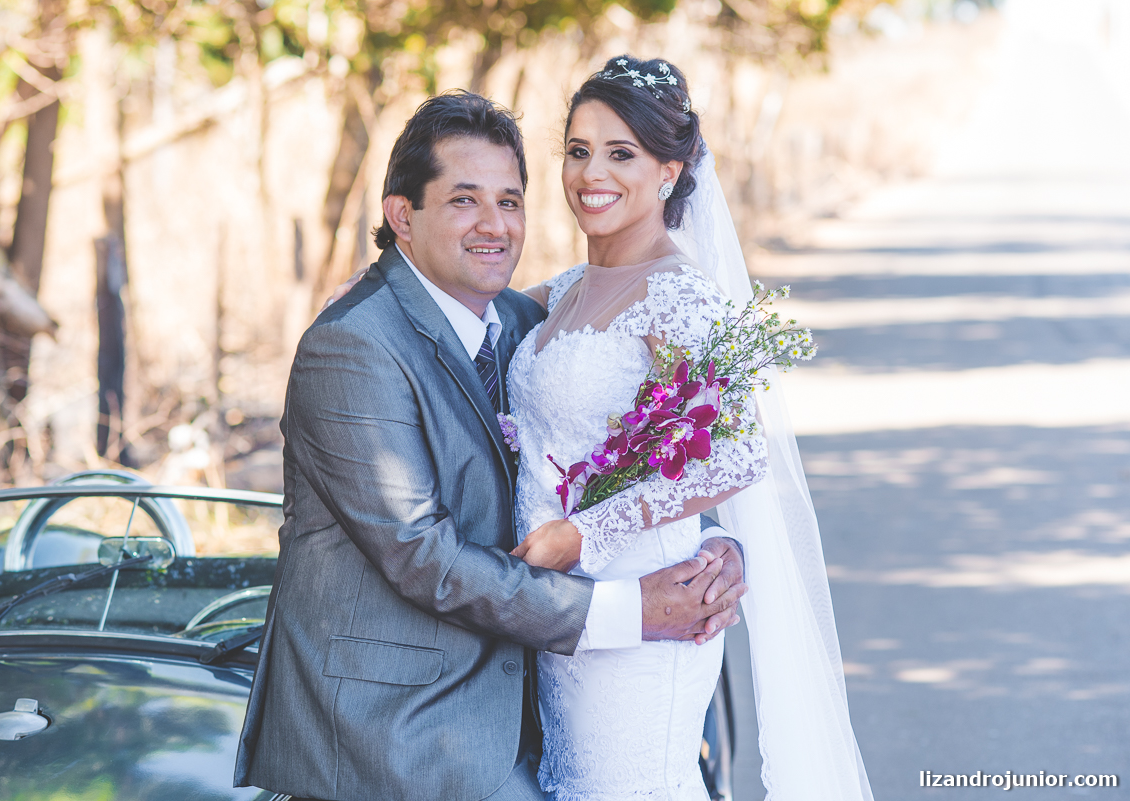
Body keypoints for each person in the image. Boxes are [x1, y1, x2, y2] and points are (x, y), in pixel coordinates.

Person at [233, 90, 748, 801]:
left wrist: (710, 544)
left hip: (527, 705)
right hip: (397, 739)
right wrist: (633, 609)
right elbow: (422, 555)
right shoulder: (353, 346)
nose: (494, 225)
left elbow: (634, 439)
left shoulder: (525, 320)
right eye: (464, 200)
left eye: (509, 201)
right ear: (401, 216)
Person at [502, 56, 874, 800]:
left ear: (669, 172)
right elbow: (467, 309)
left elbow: (734, 453)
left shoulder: (677, 295)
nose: (591, 173)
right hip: (565, 615)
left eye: (621, 153)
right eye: (577, 150)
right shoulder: (566, 289)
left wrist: (584, 536)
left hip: (643, 605)